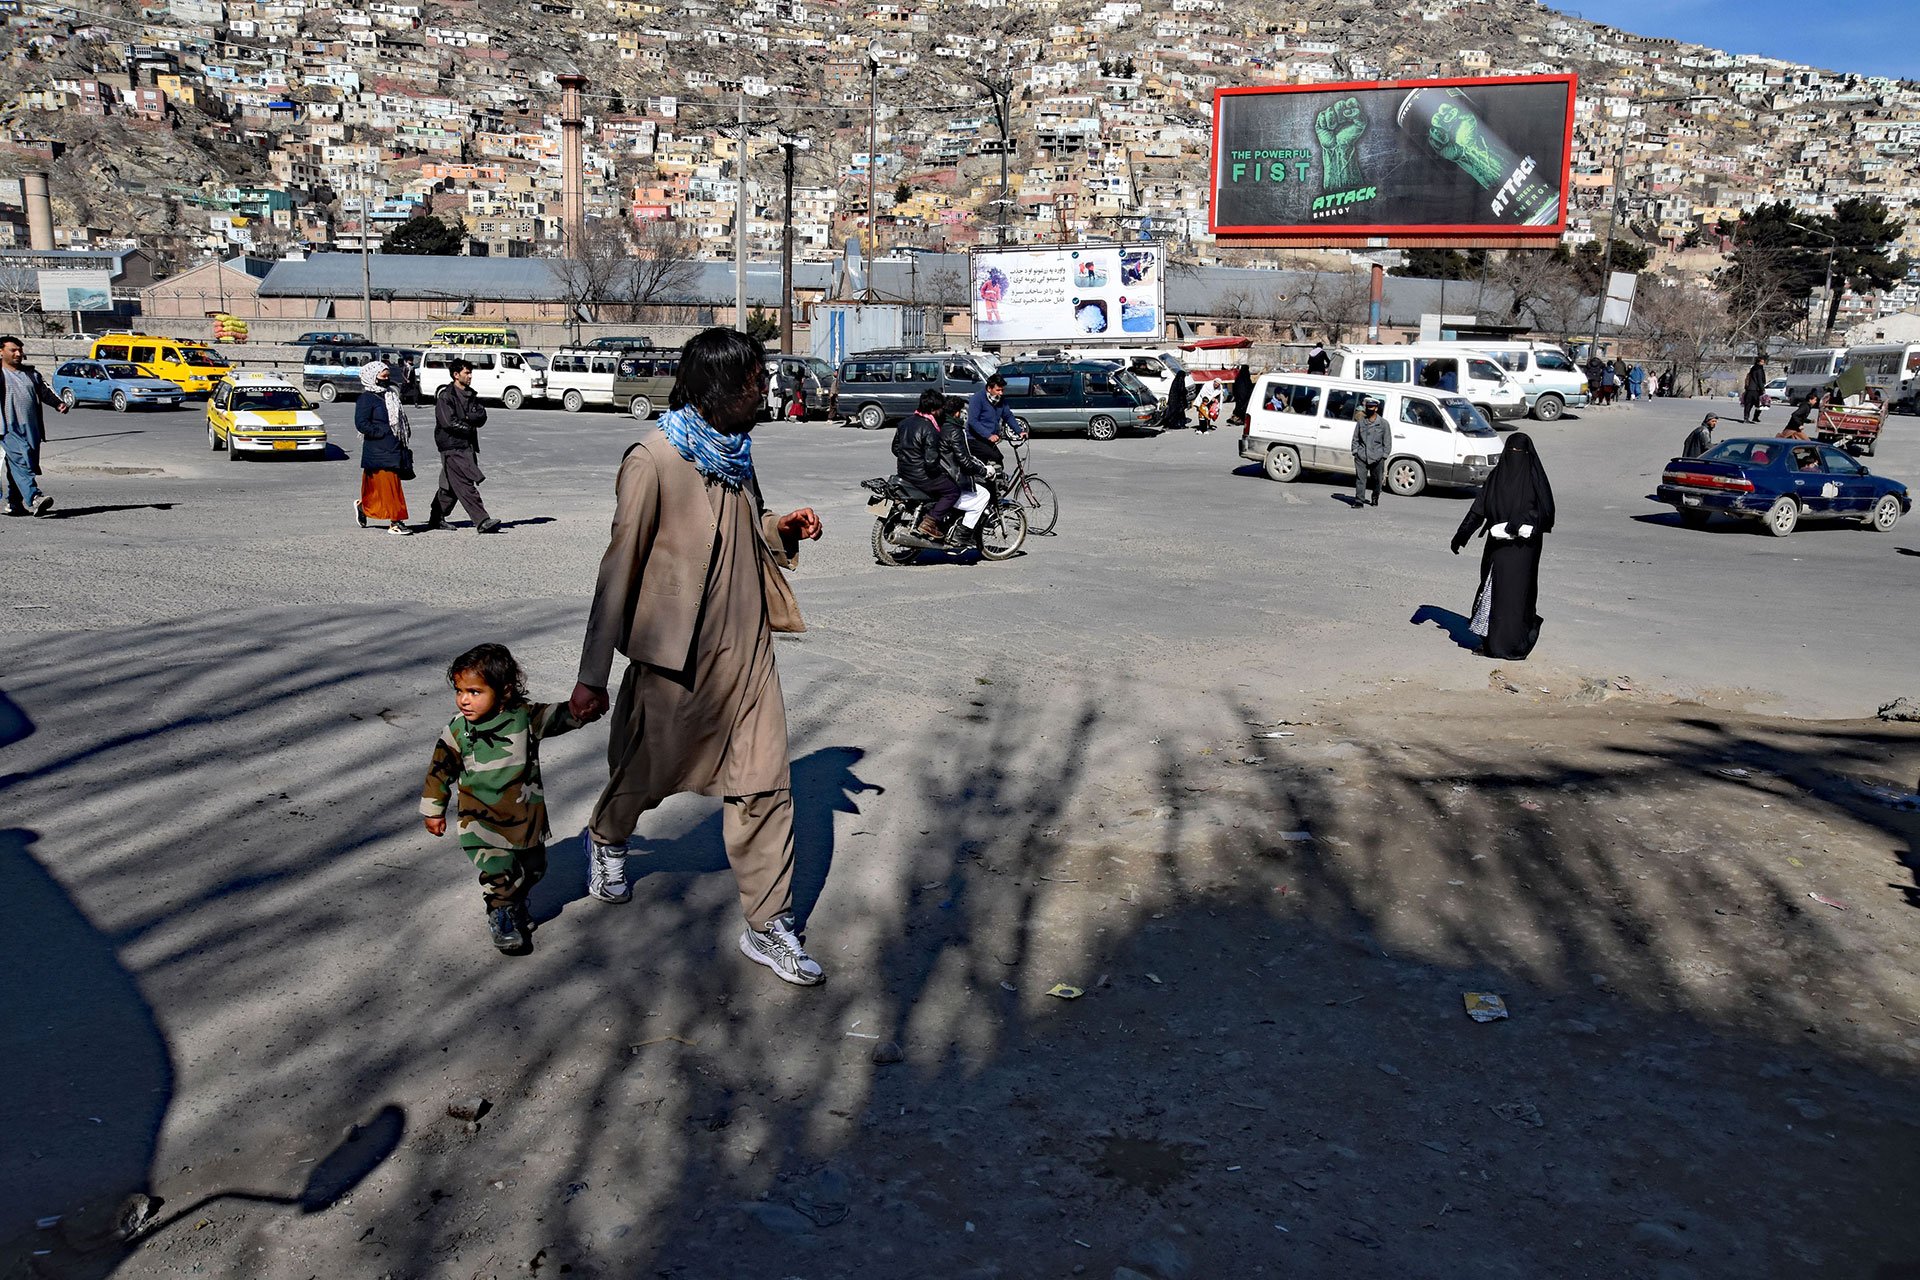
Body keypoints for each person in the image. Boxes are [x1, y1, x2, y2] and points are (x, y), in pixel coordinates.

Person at [570, 328, 827, 987]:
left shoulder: (737, 453)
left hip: (750, 653)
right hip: (677, 659)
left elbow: (749, 528)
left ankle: (769, 925)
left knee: (766, 784)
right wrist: (591, 675)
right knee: (648, 773)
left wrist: (782, 530)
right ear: (716, 389)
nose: (762, 389)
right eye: (751, 381)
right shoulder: (653, 459)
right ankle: (607, 834)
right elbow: (618, 569)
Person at [420, 643, 587, 955]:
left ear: (504, 689)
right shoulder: (458, 729)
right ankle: (500, 912)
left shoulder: (524, 718)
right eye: (459, 691)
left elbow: (561, 716)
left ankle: (512, 902)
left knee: (535, 869)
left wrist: (583, 708)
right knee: (499, 871)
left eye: (474, 691)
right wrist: (434, 810)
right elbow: (439, 770)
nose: (464, 699)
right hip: (479, 820)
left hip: (525, 819)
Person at [1450, 432, 1555, 661]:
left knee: (1517, 597)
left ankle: (1514, 644)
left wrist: (1524, 523)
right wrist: (1462, 534)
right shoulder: (1497, 477)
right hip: (1498, 549)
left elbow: (1546, 514)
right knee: (1493, 593)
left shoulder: (1535, 480)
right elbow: (1479, 508)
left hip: (1524, 552)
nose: (1514, 457)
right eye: (1511, 452)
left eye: (1519, 453)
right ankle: (1491, 643)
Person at [425, 358, 501, 534]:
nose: (470, 376)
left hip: (466, 445)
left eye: (470, 372)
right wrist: (468, 424)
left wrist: (467, 419)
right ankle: (482, 520)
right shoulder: (446, 396)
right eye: (466, 373)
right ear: (456, 375)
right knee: (465, 482)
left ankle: (436, 517)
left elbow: (481, 416)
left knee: (451, 486)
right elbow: (448, 422)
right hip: (451, 446)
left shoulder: (470, 394)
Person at [1, 334, 68, 517]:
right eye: (13, 350)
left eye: (20, 350)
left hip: (31, 428)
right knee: (21, 462)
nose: (18, 353)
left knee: (22, 464)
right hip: (6, 428)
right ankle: (35, 497)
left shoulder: (31, 373)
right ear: (1, 352)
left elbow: (45, 391)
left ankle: (14, 504)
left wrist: (58, 403)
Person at [353, 360, 413, 535]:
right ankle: (396, 521)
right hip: (378, 449)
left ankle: (364, 507)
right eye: (383, 376)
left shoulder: (390, 395)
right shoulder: (366, 398)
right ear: (372, 378)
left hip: (394, 447)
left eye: (388, 376)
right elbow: (361, 423)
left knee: (378, 489)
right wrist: (382, 432)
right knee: (391, 487)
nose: (386, 380)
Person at [895, 390, 960, 540]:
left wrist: (909, 459)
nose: (941, 412)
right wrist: (943, 472)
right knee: (952, 491)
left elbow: (895, 448)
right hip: (921, 475)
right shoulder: (930, 429)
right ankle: (930, 521)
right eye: (940, 409)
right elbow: (931, 462)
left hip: (904, 472)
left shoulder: (904, 423)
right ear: (933, 410)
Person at [965, 373, 1019, 467]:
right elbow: (973, 421)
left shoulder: (1000, 399)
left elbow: (1008, 415)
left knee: (999, 460)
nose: (1001, 393)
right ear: (989, 389)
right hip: (975, 439)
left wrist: (1019, 431)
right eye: (998, 390)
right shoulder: (977, 399)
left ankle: (996, 481)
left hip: (988, 440)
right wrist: (989, 435)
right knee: (994, 458)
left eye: (1002, 390)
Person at [1350, 396, 1391, 508]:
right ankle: (1359, 500)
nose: (1369, 409)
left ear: (1376, 408)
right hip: (1362, 456)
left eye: (1372, 407)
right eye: (1368, 407)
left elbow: (1387, 441)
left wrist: (1384, 455)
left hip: (1377, 457)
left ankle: (1375, 496)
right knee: (1360, 479)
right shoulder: (1361, 422)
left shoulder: (1383, 424)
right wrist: (1355, 452)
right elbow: (1355, 438)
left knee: (1377, 480)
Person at [1741, 357, 1767, 423]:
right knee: (1760, 404)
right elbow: (1760, 380)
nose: (1763, 363)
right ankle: (1755, 417)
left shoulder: (1752, 368)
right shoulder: (1759, 370)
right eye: (1762, 362)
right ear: (1758, 362)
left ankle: (1746, 418)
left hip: (1749, 389)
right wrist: (1762, 389)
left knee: (1748, 404)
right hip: (1756, 390)